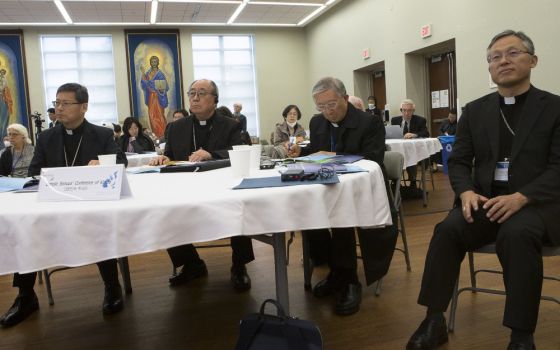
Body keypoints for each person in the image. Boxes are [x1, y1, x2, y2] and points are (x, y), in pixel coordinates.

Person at [406, 30, 560, 350]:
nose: (503, 60)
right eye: (494, 57)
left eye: (513, 53)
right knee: (447, 229)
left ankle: (521, 336)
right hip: (486, 200)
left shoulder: (555, 108)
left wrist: (522, 197)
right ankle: (434, 319)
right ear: (489, 68)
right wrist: (465, 193)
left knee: (516, 235)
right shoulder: (475, 111)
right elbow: (459, 161)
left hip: (537, 203)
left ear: (533, 60)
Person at [0, 83, 128, 328]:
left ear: (84, 107)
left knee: (100, 224)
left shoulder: (101, 135)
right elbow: (36, 172)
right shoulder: (47, 137)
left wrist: (101, 165)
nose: (58, 108)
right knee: (26, 229)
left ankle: (112, 287)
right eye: (57, 103)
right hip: (54, 205)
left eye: (65, 103)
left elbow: (119, 163)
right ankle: (25, 297)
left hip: (91, 205)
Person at [287, 77, 397, 316]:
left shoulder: (369, 123)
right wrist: (302, 151)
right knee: (308, 216)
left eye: (332, 105)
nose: (327, 112)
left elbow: (373, 159)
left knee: (342, 220)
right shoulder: (317, 123)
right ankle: (336, 271)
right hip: (326, 187)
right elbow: (318, 151)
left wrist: (334, 156)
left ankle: (349, 281)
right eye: (321, 107)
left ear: (345, 98)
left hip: (361, 190)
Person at [150, 79, 255, 291]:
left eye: (201, 93)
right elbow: (169, 155)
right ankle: (192, 264)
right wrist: (163, 158)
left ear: (214, 100)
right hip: (184, 188)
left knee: (238, 207)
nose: (195, 97)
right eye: (192, 93)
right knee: (167, 211)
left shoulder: (231, 125)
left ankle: (239, 265)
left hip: (222, 187)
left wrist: (212, 154)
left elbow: (240, 152)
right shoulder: (175, 127)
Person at [391, 99, 430, 187]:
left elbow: (426, 133)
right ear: (401, 110)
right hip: (398, 149)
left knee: (410, 157)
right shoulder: (395, 120)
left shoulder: (420, 120)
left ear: (413, 111)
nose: (406, 113)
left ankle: (413, 181)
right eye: (404, 110)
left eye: (409, 110)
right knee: (393, 157)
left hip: (414, 150)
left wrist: (414, 134)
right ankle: (395, 183)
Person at [141, 55, 168, 139]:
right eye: (152, 62)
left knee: (159, 116)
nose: (153, 63)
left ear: (158, 63)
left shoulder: (160, 74)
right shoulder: (147, 73)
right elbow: (143, 84)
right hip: (151, 98)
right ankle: (156, 135)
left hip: (158, 98)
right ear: (150, 63)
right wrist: (142, 73)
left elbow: (165, 87)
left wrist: (160, 90)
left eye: (155, 61)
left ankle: (163, 135)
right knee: (152, 116)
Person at [0, 68, 13, 141]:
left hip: (2, 98)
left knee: (4, 116)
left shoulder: (2, 76)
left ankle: (3, 136)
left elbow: (4, 86)